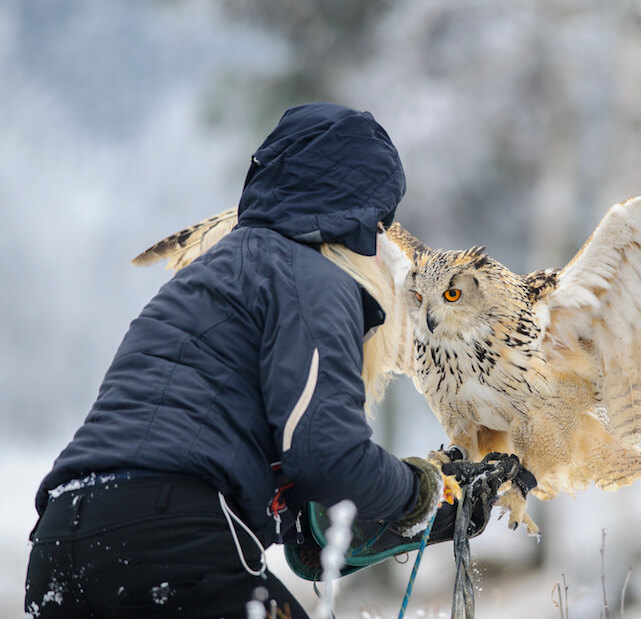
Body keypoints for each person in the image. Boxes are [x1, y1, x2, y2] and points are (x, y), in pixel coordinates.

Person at [24, 103, 480, 618]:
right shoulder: (314, 278)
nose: (379, 244)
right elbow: (327, 456)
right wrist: (416, 491)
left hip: (60, 543)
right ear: (356, 216)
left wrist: (297, 517)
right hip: (167, 541)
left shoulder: (208, 273)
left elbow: (206, 435)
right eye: (379, 222)